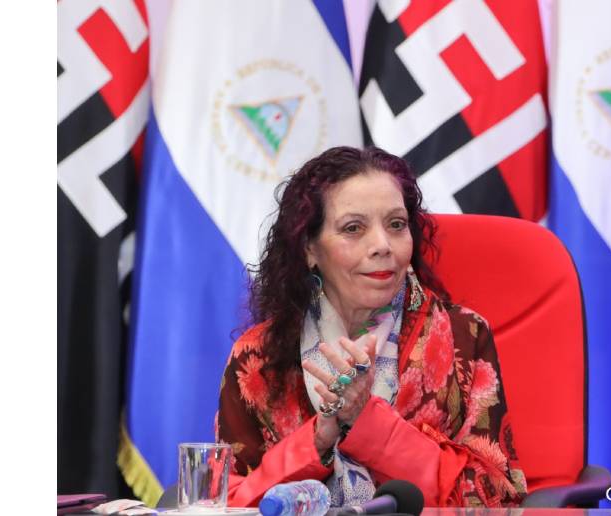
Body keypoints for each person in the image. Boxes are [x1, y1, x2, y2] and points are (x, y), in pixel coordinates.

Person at [216, 146, 526, 508]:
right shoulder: (258, 356)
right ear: (309, 249)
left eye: (396, 225)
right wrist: (319, 440)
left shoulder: (462, 336)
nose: (382, 245)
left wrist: (367, 423)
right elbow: (225, 503)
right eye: (353, 228)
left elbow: (497, 499)